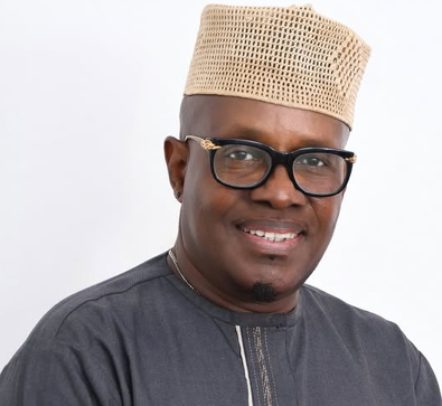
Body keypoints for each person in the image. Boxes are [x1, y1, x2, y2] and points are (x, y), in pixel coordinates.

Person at [0, 4, 440, 405]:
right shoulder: (86, 352)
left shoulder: (393, 366)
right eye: (243, 155)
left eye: (314, 161)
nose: (281, 193)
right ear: (179, 168)